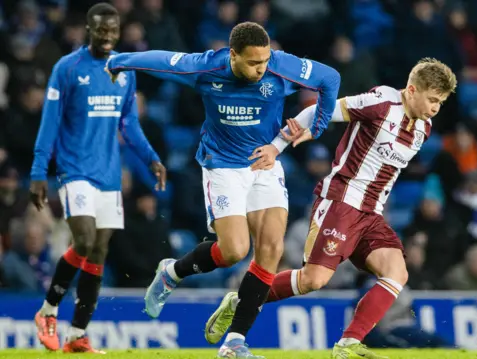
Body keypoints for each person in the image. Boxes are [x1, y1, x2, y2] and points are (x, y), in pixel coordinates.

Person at [105, 22, 340, 358]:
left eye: (264, 62)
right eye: (252, 63)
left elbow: (330, 79)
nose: (261, 70)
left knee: (271, 249)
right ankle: (173, 272)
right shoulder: (206, 66)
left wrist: (316, 128)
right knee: (233, 251)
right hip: (223, 165)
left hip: (264, 163)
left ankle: (234, 343)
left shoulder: (281, 65)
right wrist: (118, 61)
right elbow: (160, 60)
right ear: (232, 55)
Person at [208, 58, 457, 359]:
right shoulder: (381, 102)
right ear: (412, 89)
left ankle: (348, 344)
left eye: (440, 102)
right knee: (314, 280)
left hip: (371, 213)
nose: (435, 108)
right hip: (342, 202)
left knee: (397, 272)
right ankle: (242, 300)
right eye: (432, 100)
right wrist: (277, 147)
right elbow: (318, 109)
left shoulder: (423, 129)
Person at [30, 3, 166, 354]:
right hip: (74, 170)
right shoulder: (68, 68)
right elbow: (49, 123)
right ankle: (47, 311)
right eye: (100, 29)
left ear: (119, 31)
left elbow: (129, 123)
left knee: (98, 253)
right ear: (88, 29)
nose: (107, 36)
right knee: (85, 239)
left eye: (113, 30)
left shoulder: (123, 69)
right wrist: (37, 171)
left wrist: (151, 158)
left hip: (108, 174)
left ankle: (77, 334)